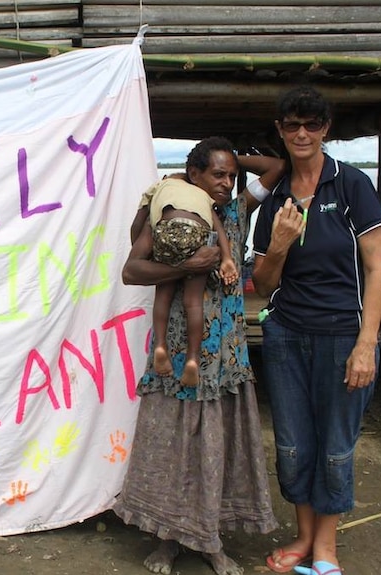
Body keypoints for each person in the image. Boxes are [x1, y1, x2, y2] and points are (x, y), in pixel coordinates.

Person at [114, 137, 285, 575]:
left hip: (224, 360)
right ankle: (167, 541)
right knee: (173, 450)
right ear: (194, 175)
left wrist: (227, 154)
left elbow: (276, 165)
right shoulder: (171, 216)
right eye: (217, 174)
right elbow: (132, 271)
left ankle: (210, 542)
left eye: (231, 176)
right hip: (174, 360)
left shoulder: (238, 211)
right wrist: (188, 266)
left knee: (215, 453)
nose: (227, 183)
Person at [251, 87, 381, 575]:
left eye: (311, 124)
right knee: (292, 442)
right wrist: (281, 243)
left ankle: (325, 548)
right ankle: (303, 538)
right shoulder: (276, 201)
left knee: (334, 443)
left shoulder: (350, 186)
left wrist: (367, 343)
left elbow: (376, 268)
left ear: (326, 129)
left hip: (343, 335)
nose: (302, 133)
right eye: (292, 125)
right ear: (281, 132)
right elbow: (262, 284)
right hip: (286, 334)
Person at [143, 178, 238, 386]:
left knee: (163, 294)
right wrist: (227, 258)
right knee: (193, 301)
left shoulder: (158, 186)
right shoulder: (201, 194)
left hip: (166, 228)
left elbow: (141, 218)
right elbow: (218, 228)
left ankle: (160, 345)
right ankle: (193, 359)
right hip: (196, 230)